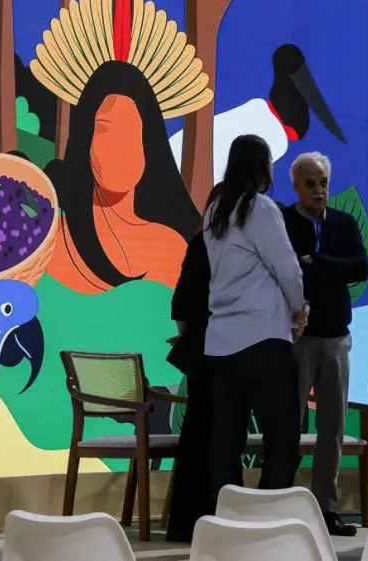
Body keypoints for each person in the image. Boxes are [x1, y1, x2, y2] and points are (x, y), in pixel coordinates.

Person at [203, 134, 310, 502]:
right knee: (282, 437)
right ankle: (268, 517)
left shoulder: (215, 210)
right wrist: (299, 311)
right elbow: (288, 268)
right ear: (264, 167)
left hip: (221, 342)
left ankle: (228, 518)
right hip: (263, 339)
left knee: (225, 440)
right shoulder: (260, 208)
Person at [45, 61, 201, 294]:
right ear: (86, 141)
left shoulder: (171, 248)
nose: (117, 146)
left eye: (129, 131)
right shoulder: (53, 237)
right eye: (106, 130)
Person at [281, 152, 368, 536]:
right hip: (296, 338)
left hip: (336, 337)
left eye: (323, 183)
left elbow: (360, 267)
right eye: (311, 183)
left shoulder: (344, 224)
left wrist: (316, 261)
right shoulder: (282, 222)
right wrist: (327, 265)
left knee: (332, 426)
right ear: (296, 187)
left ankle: (325, 508)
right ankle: (280, 501)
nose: (319, 190)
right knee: (287, 423)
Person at [165, 230, 213, 542]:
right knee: (214, 439)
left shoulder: (201, 240)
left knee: (196, 436)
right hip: (225, 353)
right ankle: (215, 521)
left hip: (201, 352)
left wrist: (189, 336)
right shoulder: (240, 241)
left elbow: (180, 304)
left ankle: (185, 524)